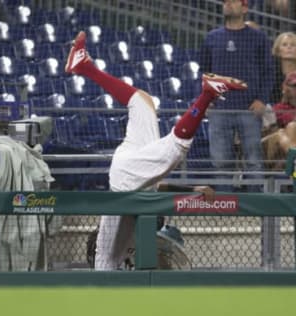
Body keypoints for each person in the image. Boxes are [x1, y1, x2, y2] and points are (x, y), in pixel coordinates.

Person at [65, 31, 245, 270]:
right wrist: (192, 189)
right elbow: (156, 187)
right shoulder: (135, 237)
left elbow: (107, 268)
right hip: (131, 175)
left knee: (172, 143)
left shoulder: (106, 264)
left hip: (125, 180)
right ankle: (85, 66)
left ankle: (206, 94)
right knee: (142, 101)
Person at [199, 0, 275, 192]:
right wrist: (205, 100)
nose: (227, 5)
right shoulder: (212, 37)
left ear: (244, 8)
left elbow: (268, 72)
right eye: (225, 2)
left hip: (249, 109)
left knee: (253, 161)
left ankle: (255, 205)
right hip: (220, 109)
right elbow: (204, 72)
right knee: (221, 162)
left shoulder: (258, 38)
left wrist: (262, 100)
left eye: (232, 2)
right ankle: (226, 206)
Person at [263, 71, 296, 169]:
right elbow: (269, 132)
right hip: (275, 149)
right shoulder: (278, 108)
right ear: (286, 88)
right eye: (294, 86)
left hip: (286, 155)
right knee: (290, 128)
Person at [271, 32, 296, 103]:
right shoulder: (270, 71)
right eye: (284, 45)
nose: (289, 47)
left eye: (293, 45)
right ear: (278, 51)